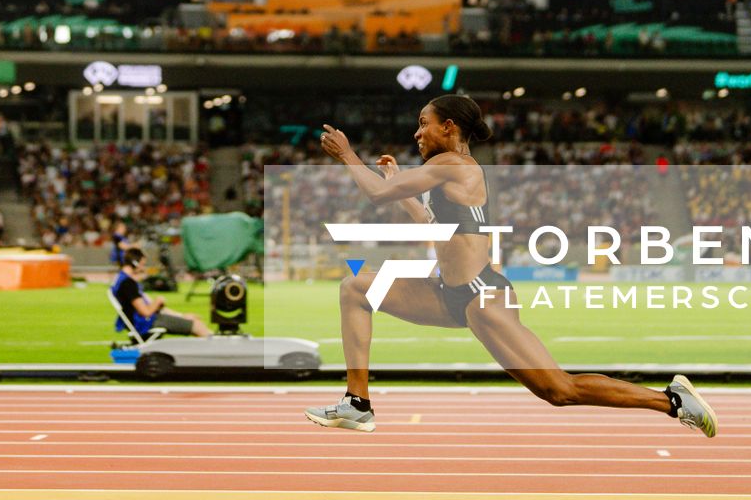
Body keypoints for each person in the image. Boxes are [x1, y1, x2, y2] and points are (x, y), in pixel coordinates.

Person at [304, 94, 718, 437]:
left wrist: (348, 155)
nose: (416, 132)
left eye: (423, 123)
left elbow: (378, 197)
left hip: (483, 295)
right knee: (356, 288)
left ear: (449, 127)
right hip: (449, 294)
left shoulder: (452, 165)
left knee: (558, 389)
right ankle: (357, 403)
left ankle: (671, 400)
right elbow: (431, 225)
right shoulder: (446, 175)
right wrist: (400, 188)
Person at [110, 246, 209, 340]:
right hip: (146, 324)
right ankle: (217, 348)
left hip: (146, 321)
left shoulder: (121, 280)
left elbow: (153, 309)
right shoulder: (128, 284)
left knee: (193, 320)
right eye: (142, 264)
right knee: (197, 325)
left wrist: (182, 316)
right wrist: (158, 301)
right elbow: (146, 312)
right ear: (135, 263)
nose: (143, 268)